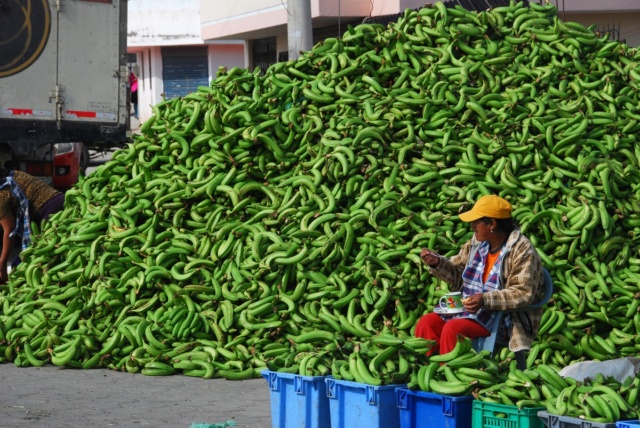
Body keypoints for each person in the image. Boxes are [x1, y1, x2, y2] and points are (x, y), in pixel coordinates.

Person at [415, 194, 544, 356]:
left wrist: (485, 299)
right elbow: (457, 274)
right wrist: (437, 263)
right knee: (427, 323)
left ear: (492, 223)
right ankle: (426, 370)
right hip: (470, 311)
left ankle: (449, 376)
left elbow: (523, 293)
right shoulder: (477, 243)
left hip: (503, 318)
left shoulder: (521, 249)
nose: (472, 226)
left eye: (476, 222)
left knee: (453, 328)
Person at [0, 169, 65, 284]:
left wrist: (3, 263)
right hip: (60, 200)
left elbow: (9, 230)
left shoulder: (1, 196)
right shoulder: (13, 174)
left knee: (34, 260)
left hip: (50, 212)